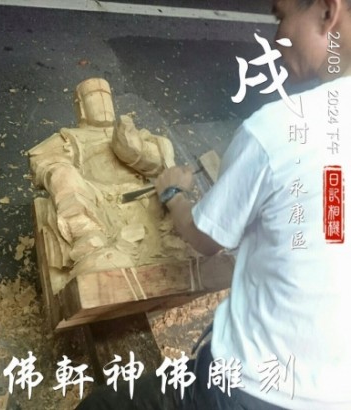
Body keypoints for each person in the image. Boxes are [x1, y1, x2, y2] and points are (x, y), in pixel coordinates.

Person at [77, 0, 351, 408]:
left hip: (250, 388)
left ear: (328, 12)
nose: (277, 36)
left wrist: (172, 194)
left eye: (282, 16)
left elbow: (205, 239)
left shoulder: (280, 128)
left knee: (100, 407)